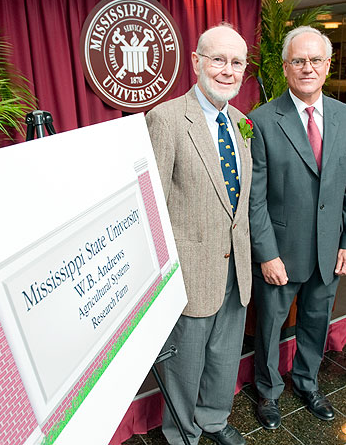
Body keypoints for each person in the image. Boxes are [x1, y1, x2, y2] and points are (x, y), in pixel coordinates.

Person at [248, 26, 346, 428]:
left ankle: (307, 381)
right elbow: (255, 197)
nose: (308, 67)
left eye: (316, 60)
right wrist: (266, 253)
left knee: (316, 320)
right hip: (281, 251)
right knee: (269, 327)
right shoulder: (262, 121)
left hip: (330, 250)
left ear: (328, 65)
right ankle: (266, 391)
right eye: (299, 60)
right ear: (285, 67)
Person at [145, 24, 251, 445]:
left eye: (236, 62)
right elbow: (152, 205)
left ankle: (213, 419)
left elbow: (241, 201)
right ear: (196, 62)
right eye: (218, 59)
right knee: (185, 362)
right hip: (190, 268)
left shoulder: (243, 123)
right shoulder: (166, 119)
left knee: (224, 355)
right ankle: (182, 434)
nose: (227, 70)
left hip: (236, 266)